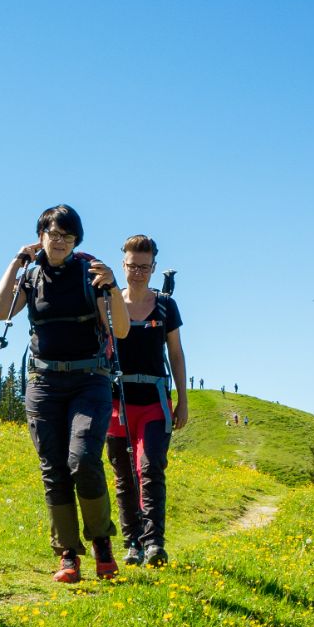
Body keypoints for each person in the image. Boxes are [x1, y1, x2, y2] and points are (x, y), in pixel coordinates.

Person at [0, 204, 128, 582]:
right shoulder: (30, 278)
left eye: (68, 235)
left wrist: (113, 285)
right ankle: (68, 554)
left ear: (76, 239)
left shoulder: (91, 275)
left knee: (83, 459)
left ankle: (101, 541)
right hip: (44, 383)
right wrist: (16, 263)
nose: (60, 240)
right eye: (53, 233)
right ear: (40, 237)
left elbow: (123, 329)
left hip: (90, 380)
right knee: (53, 468)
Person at [105, 235, 187, 566]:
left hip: (154, 400)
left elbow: (176, 354)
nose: (137, 272)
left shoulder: (166, 306)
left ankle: (154, 543)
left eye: (144, 266)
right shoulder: (109, 304)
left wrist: (182, 400)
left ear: (153, 267)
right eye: (131, 265)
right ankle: (132, 544)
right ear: (122, 265)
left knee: (150, 466)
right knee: (124, 475)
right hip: (116, 403)